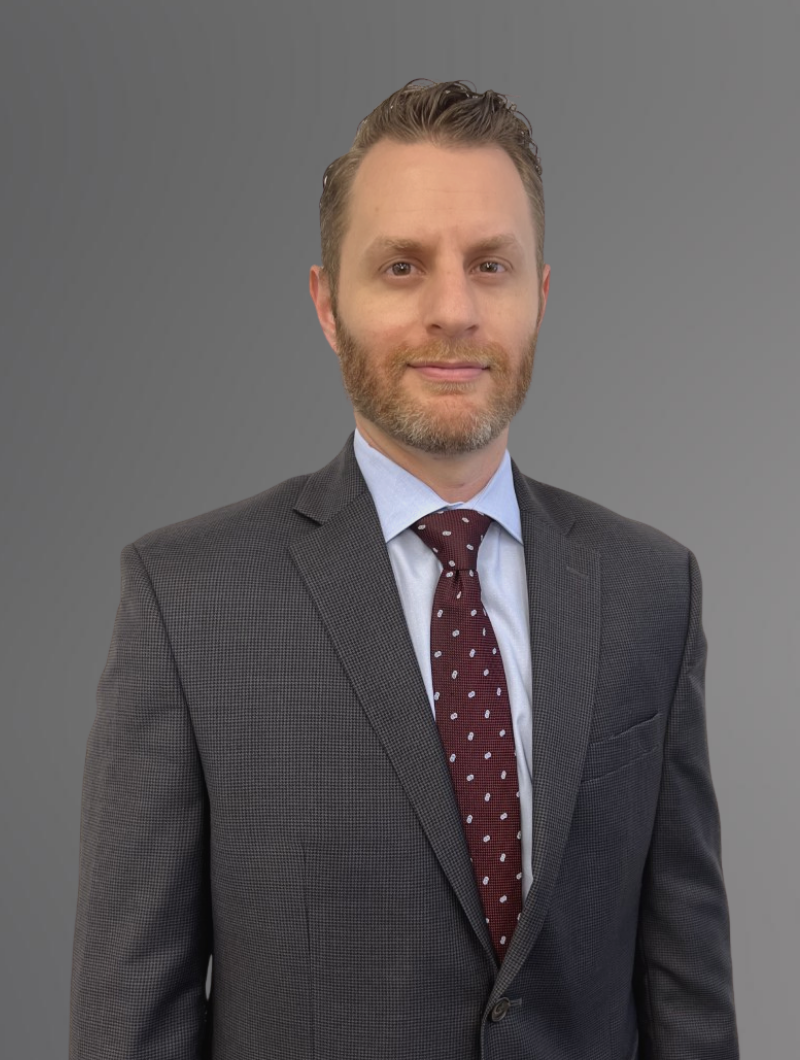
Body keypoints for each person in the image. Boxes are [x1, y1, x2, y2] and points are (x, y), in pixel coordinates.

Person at [69, 79, 740, 1060]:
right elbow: (132, 1014)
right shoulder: (188, 602)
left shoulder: (649, 590)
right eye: (399, 266)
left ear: (538, 295)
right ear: (326, 304)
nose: (453, 310)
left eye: (490, 265)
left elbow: (687, 998)